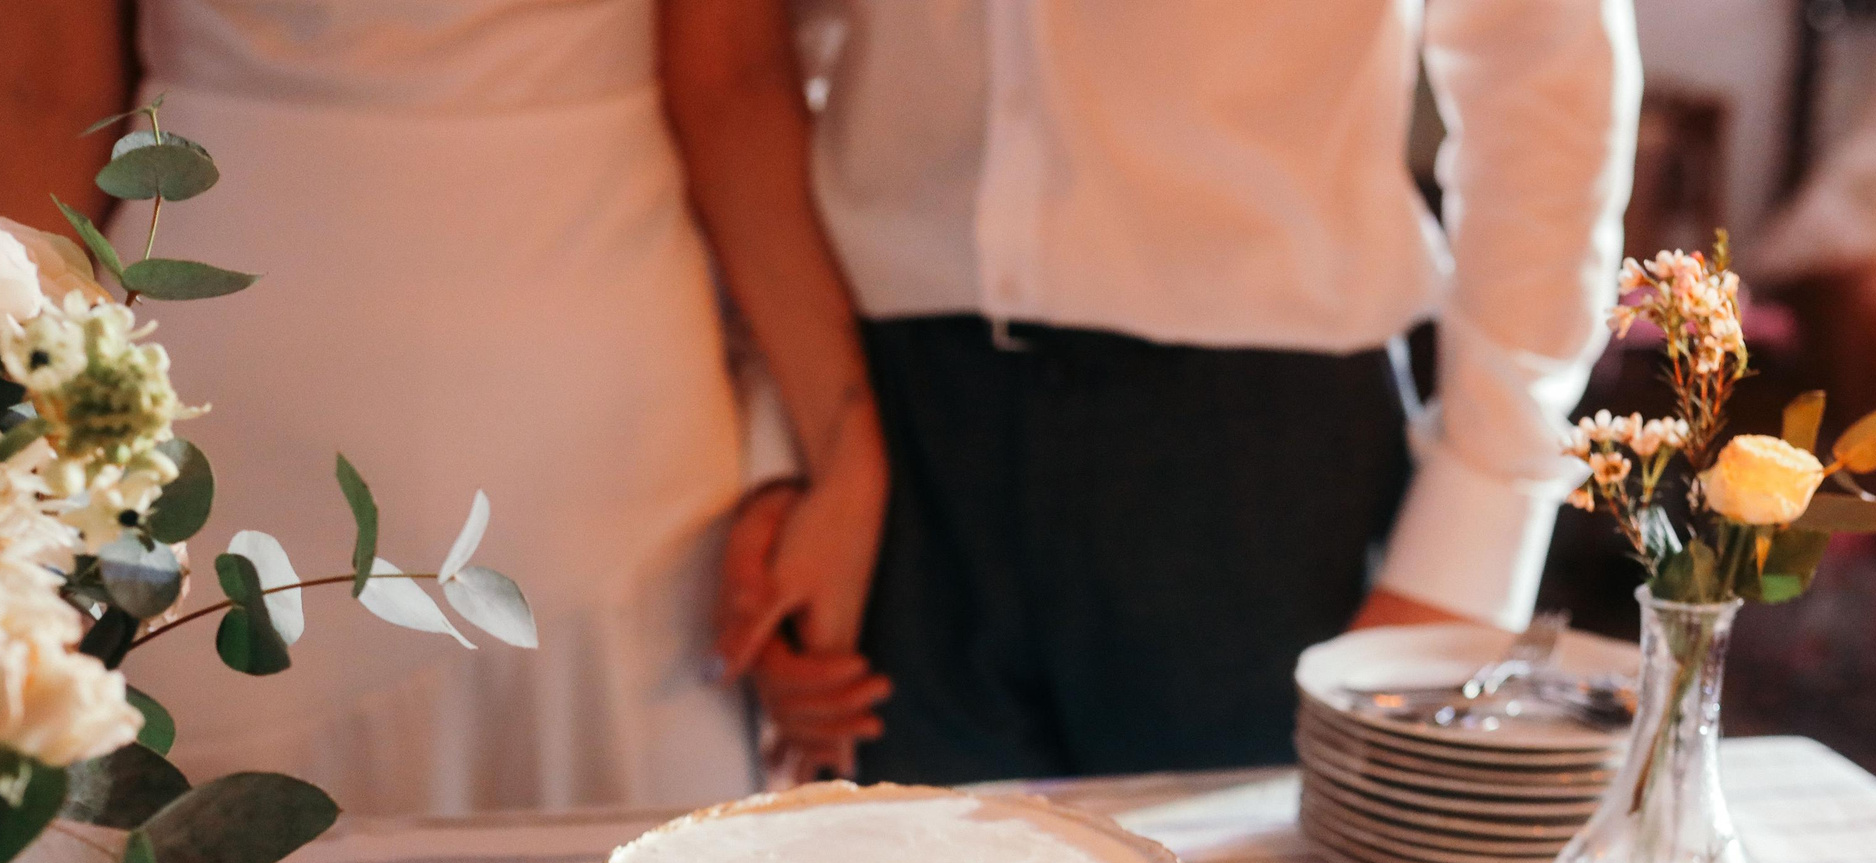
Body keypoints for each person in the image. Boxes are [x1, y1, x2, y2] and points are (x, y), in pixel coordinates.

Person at [0, 0, 886, 812]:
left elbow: (732, 81)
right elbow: (36, 90)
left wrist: (846, 459)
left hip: (594, 425)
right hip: (226, 417)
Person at [683, 0, 1641, 785]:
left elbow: (1545, 70)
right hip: (896, 449)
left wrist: (1470, 533)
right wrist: (791, 445)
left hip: (1260, 478)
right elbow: (756, 58)